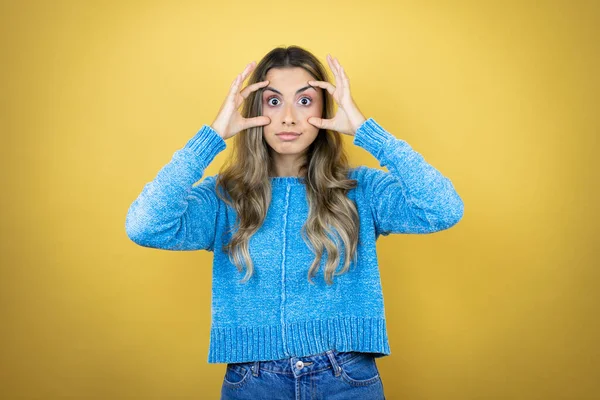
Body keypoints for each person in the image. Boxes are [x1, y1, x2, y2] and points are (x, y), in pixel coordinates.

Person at [125, 45, 464, 400]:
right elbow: (145, 225)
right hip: (253, 380)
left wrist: (368, 131)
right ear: (254, 110)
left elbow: (443, 208)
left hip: (346, 378)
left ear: (325, 110)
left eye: (305, 101)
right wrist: (210, 138)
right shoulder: (223, 198)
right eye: (273, 101)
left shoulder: (362, 190)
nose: (288, 117)